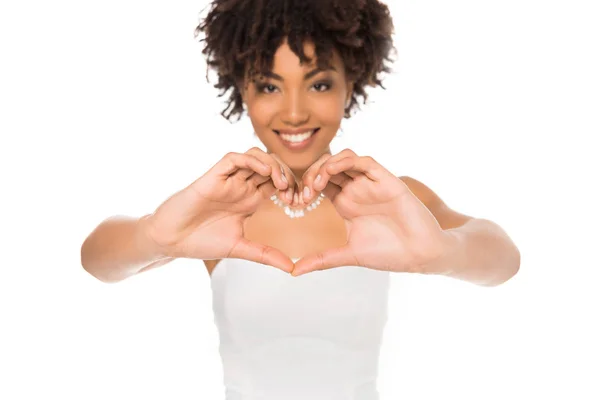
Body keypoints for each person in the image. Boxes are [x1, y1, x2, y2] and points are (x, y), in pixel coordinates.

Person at [80, 0, 521, 398]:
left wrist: (442, 253)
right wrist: (157, 236)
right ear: (243, 92)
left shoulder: (387, 200)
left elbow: (504, 260)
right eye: (269, 86)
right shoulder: (222, 203)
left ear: (352, 84)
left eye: (319, 84)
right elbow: (95, 258)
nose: (294, 112)